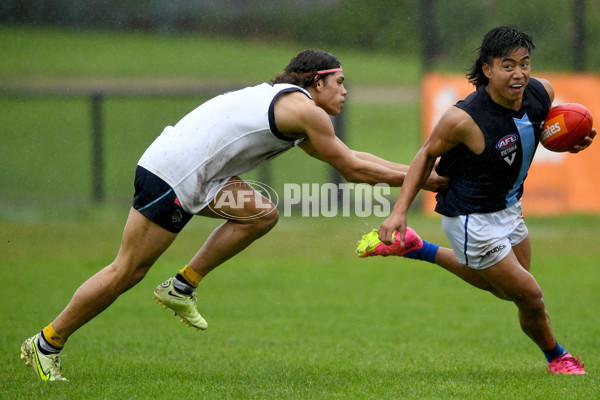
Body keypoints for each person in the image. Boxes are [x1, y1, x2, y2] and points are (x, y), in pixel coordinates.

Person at [20, 49, 448, 382]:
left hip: (200, 176)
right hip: (173, 176)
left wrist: (418, 174)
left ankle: (182, 286)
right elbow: (353, 169)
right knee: (127, 271)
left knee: (261, 214)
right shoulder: (303, 110)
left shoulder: (296, 108)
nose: (344, 91)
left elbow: (352, 157)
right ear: (316, 83)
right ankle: (47, 342)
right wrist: (423, 179)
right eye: (339, 83)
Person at [361, 26, 595, 375]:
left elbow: (534, 131)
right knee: (530, 296)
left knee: (505, 290)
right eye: (507, 65)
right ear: (487, 69)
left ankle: (417, 248)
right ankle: (558, 358)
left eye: (524, 63)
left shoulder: (541, 92)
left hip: (511, 206)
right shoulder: (463, 118)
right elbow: (424, 156)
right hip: (472, 217)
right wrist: (399, 213)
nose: (519, 73)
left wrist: (567, 140)